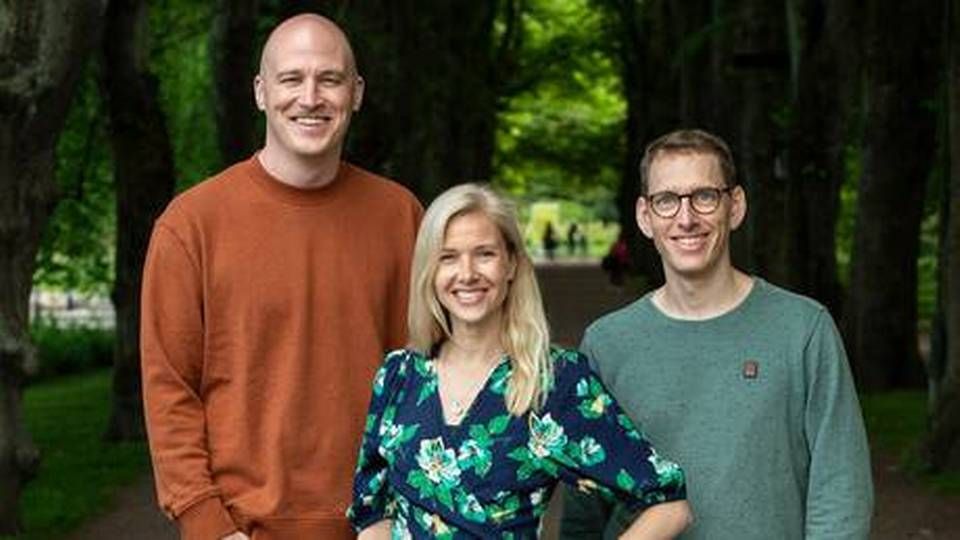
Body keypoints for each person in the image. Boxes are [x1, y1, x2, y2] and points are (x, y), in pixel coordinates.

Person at [140, 14, 422, 540]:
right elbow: (169, 388)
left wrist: (398, 512)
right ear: (261, 91)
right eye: (292, 79)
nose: (310, 97)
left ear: (356, 93)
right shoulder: (191, 225)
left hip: (379, 529)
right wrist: (206, 523)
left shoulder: (402, 217)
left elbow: (429, 379)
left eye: (330, 79)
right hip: (239, 529)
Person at [560, 129, 873, 539]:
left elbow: (841, 491)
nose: (686, 218)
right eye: (666, 201)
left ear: (735, 206)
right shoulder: (607, 344)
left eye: (704, 196)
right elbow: (585, 507)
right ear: (644, 216)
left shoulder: (803, 329)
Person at [347, 184, 692, 539]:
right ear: (429, 270)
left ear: (511, 263)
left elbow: (668, 504)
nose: (466, 273)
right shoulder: (399, 375)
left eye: (484, 254)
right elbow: (373, 511)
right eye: (447, 257)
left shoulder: (554, 382)